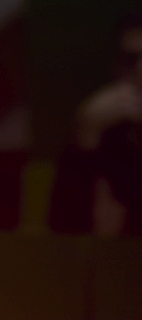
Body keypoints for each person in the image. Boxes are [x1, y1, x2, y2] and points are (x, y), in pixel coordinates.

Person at [48, 10, 142, 236]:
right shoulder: (108, 129)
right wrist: (86, 133)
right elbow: (64, 233)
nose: (140, 72)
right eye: (130, 60)